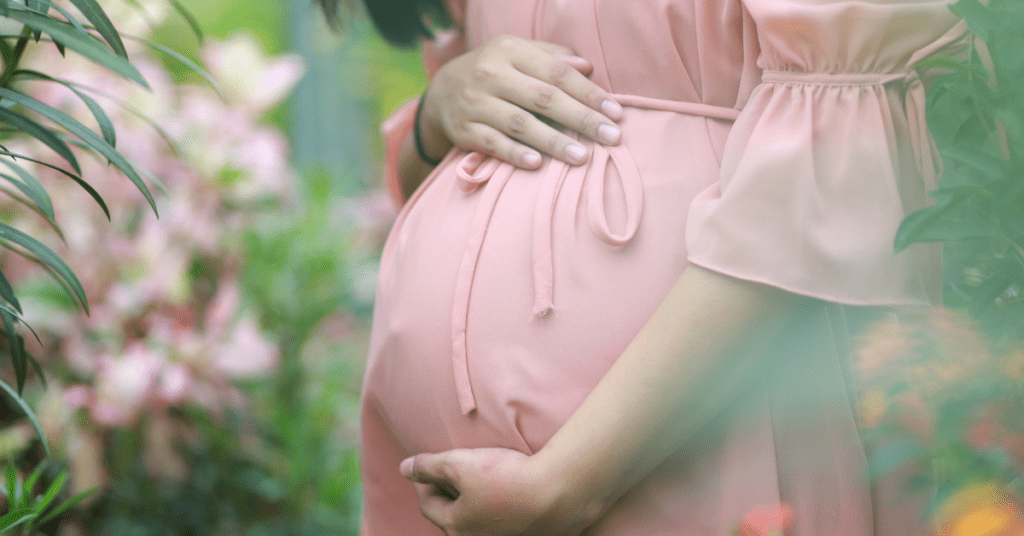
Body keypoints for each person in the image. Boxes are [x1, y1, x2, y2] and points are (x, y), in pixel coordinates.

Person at [317, 0, 967, 534]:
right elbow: (427, 175)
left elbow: (834, 185)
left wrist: (563, 487)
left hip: (712, 428)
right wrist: (437, 109)